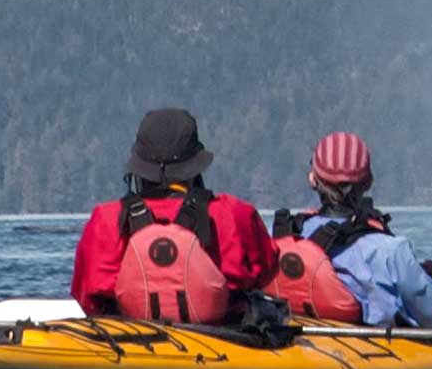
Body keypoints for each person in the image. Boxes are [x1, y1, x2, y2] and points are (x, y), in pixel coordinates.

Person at [71, 108, 278, 323]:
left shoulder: (105, 219)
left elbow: (86, 296)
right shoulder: (234, 213)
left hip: (126, 338)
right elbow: (267, 270)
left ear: (140, 167)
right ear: (195, 166)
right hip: (223, 336)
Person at [264, 131, 432, 328]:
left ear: (312, 180)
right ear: (368, 183)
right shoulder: (391, 251)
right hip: (373, 343)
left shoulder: (279, 238)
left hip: (299, 333)